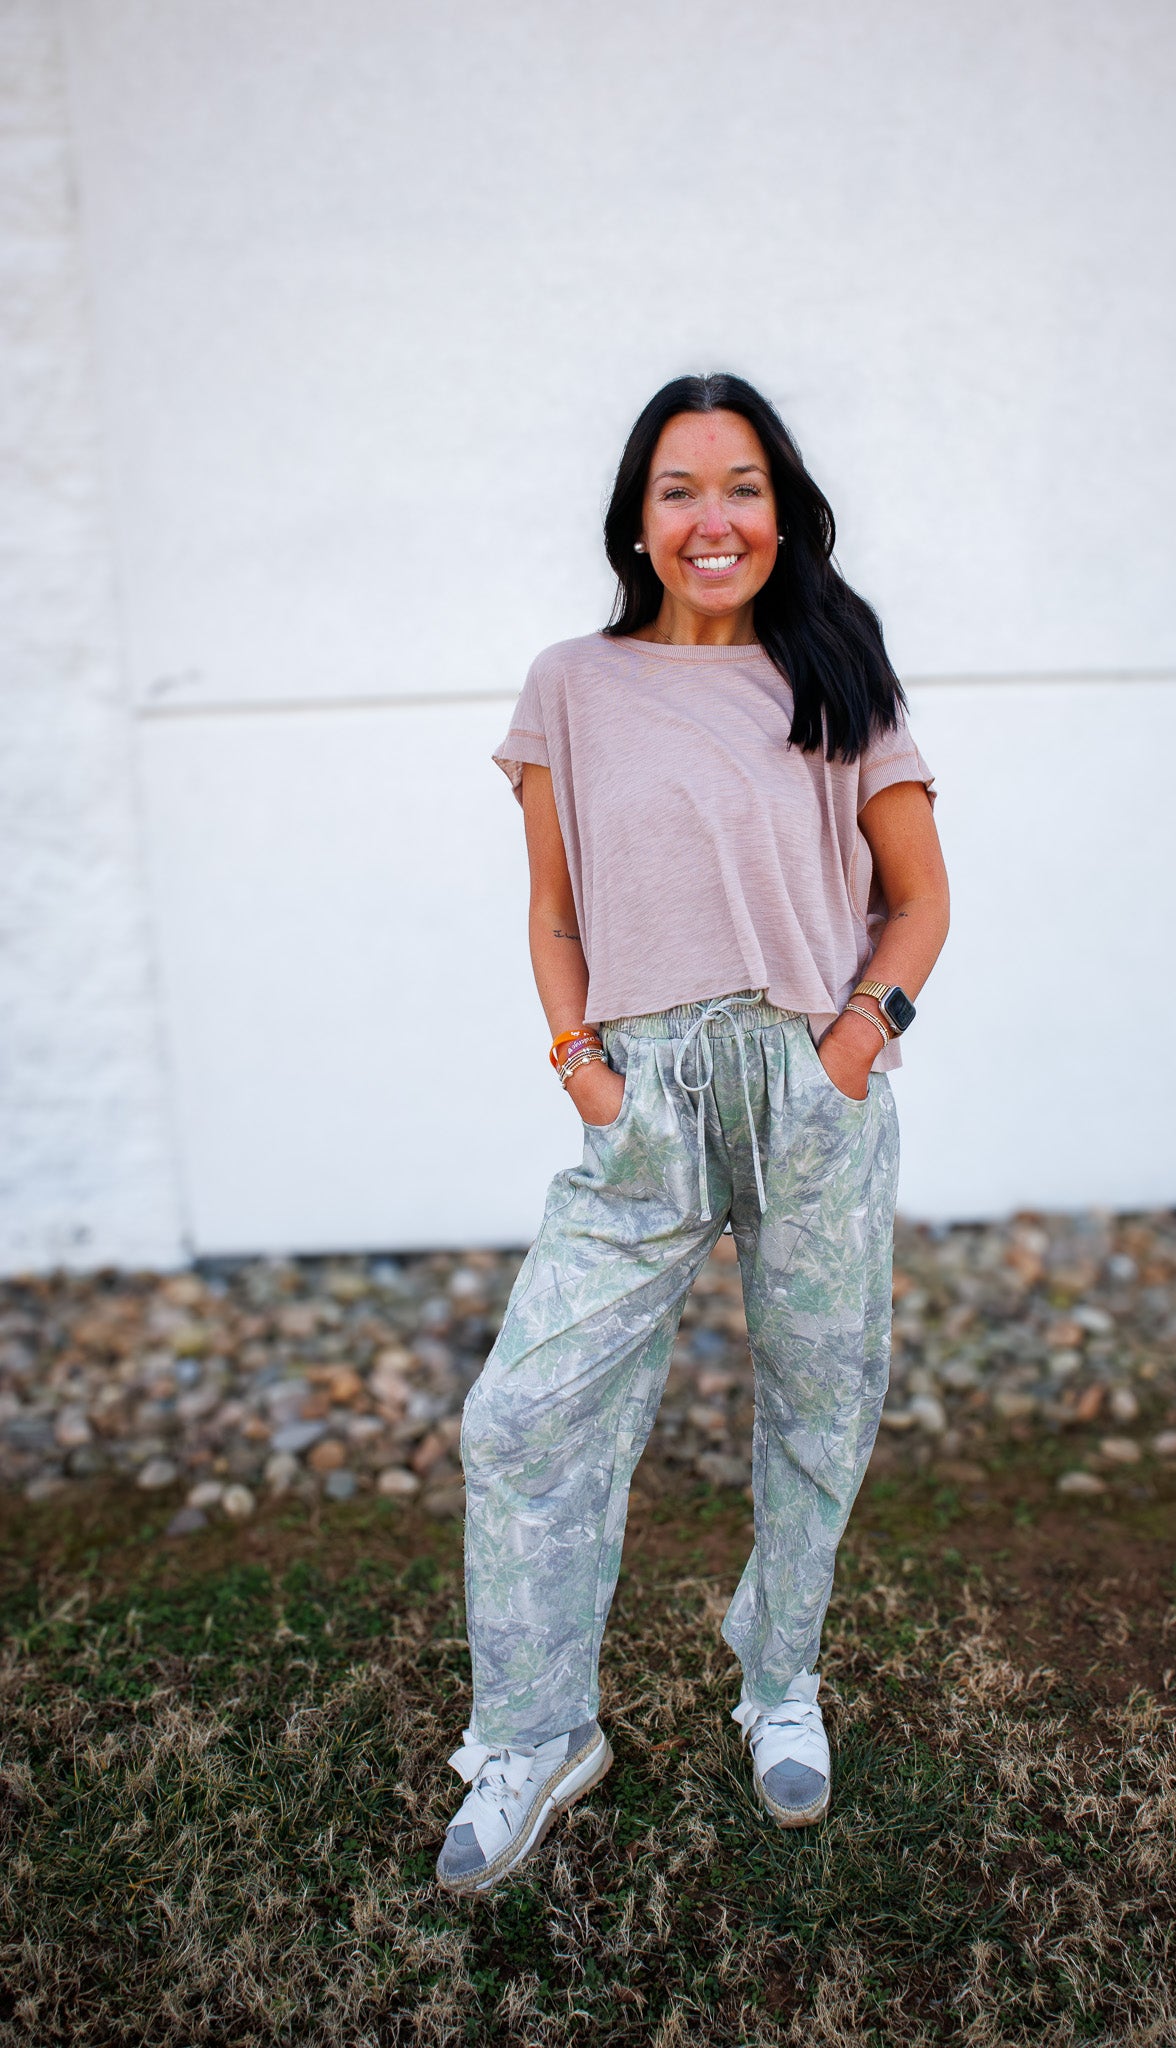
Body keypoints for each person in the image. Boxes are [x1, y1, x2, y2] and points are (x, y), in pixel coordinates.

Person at [437, 373, 950, 1894]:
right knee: (523, 1417)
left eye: (737, 486)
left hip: (810, 1089)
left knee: (816, 1399)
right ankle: (535, 1733)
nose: (709, 516)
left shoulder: (840, 680)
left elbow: (917, 902)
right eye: (677, 489)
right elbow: (551, 910)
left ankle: (777, 1673)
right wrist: (586, 1070)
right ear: (640, 521)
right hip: (642, 1093)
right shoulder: (572, 685)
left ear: (778, 510)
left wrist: (856, 1045)